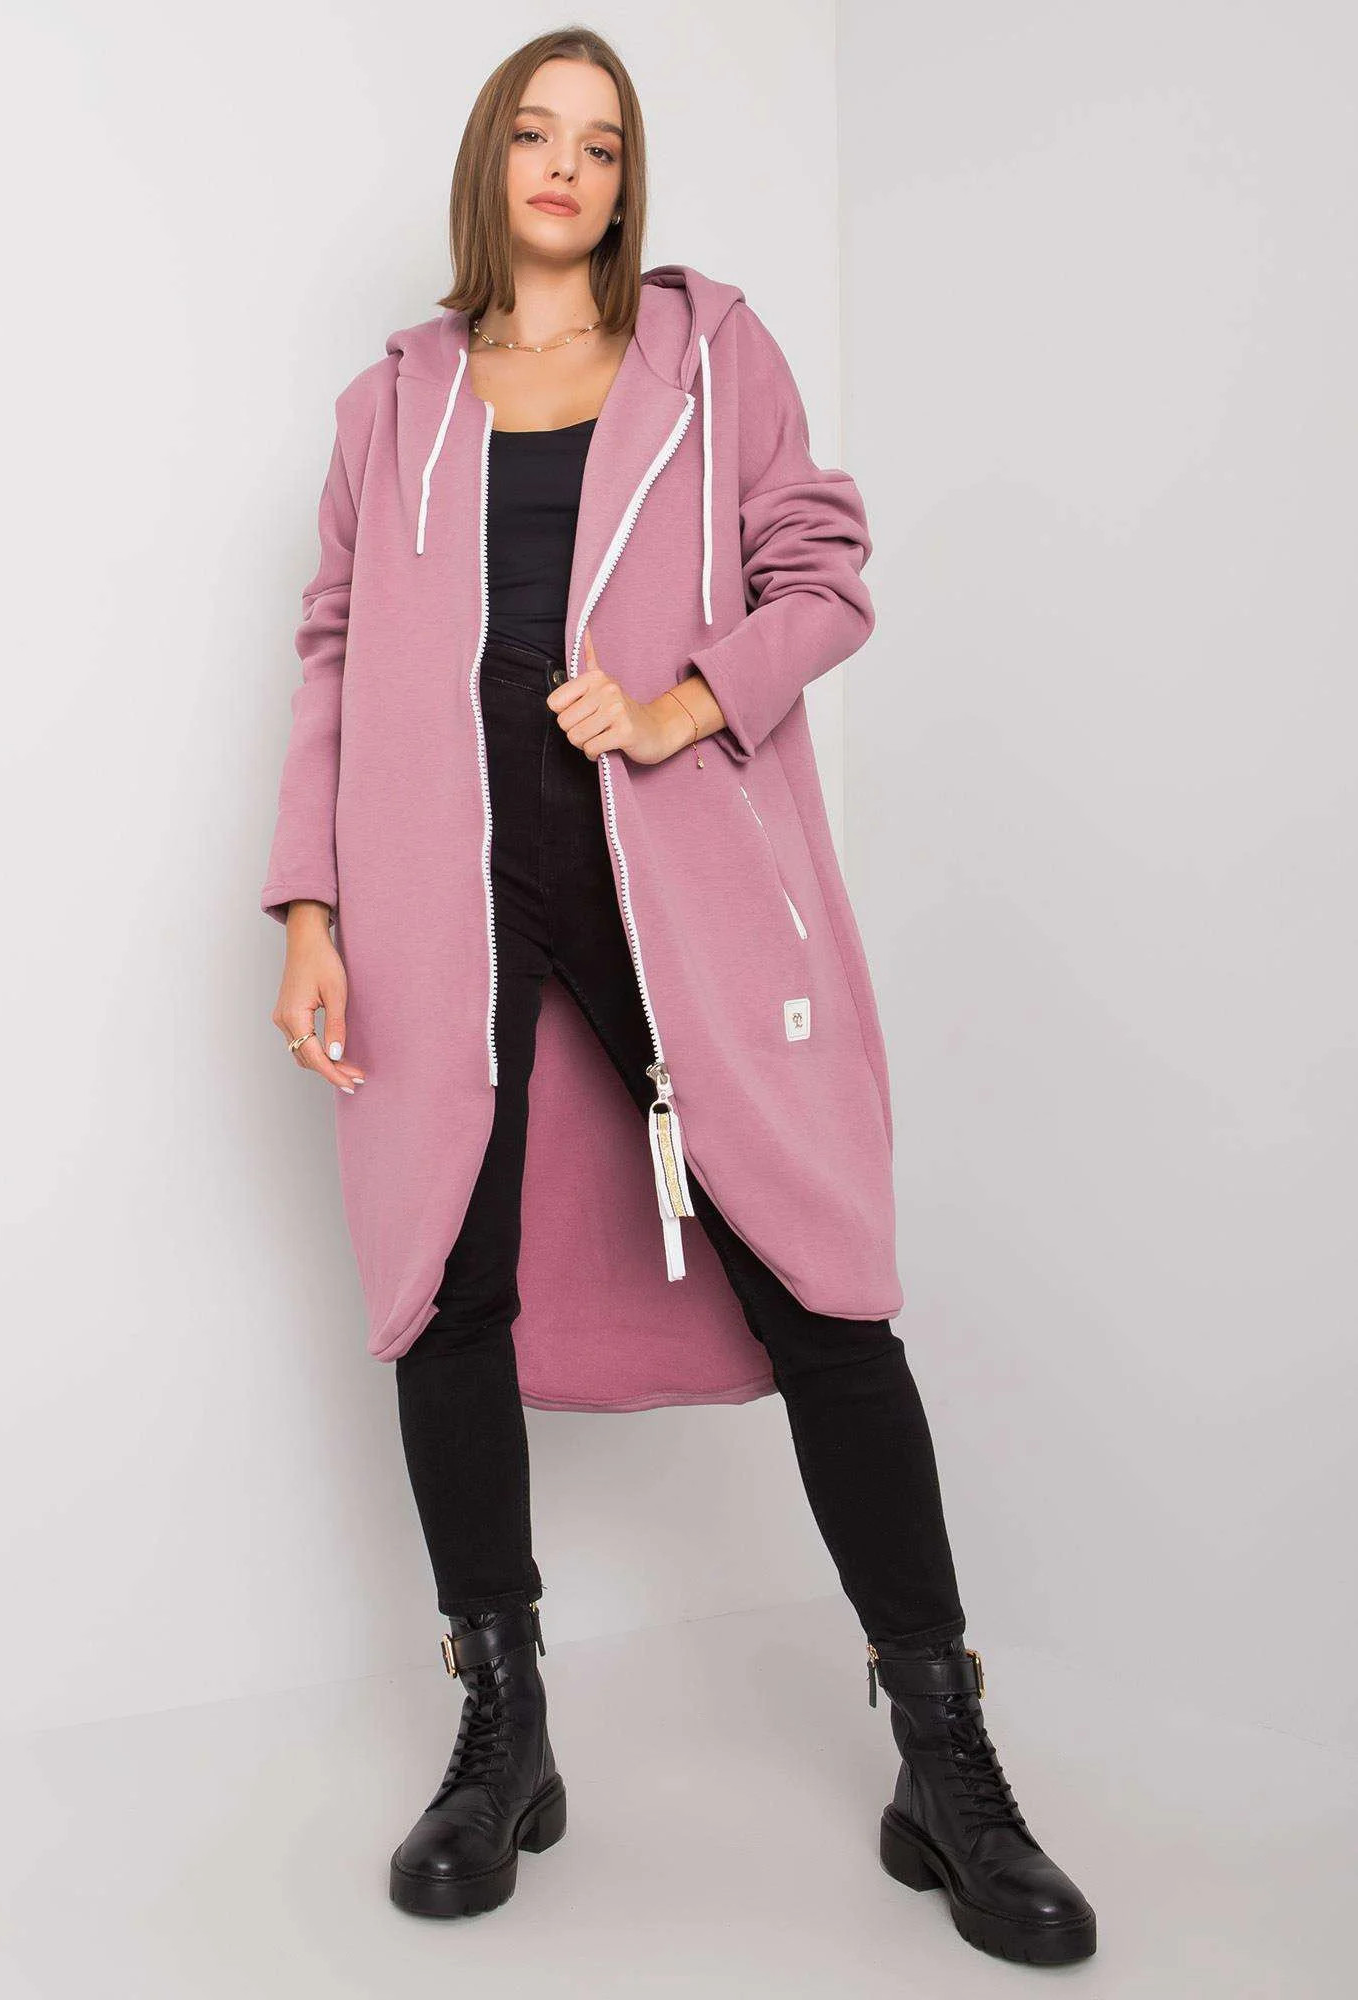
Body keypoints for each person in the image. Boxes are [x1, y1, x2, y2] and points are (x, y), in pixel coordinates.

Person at [260, 28, 1096, 1965]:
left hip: (672, 870)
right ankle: (505, 1730)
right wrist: (307, 902)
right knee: (445, 1286)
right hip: (438, 890)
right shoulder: (392, 401)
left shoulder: (712, 354)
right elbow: (334, 648)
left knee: (820, 1282)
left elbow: (825, 573)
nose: (567, 166)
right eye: (535, 134)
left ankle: (945, 1755)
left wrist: (681, 703)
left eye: (603, 143)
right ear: (491, 162)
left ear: (631, 182)